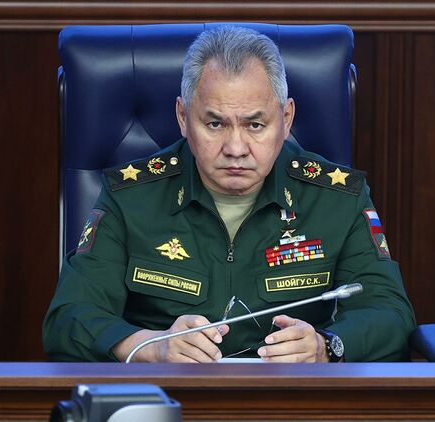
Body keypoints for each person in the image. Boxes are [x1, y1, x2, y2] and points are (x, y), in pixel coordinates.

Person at [43, 26, 415, 363]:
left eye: (255, 125)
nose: (236, 148)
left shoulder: (337, 197)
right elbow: (67, 319)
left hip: (292, 397)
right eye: (215, 123)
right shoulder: (130, 196)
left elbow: (391, 314)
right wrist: (152, 346)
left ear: (285, 119)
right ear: (183, 117)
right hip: (168, 394)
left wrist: (326, 346)